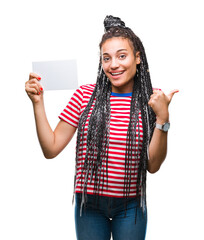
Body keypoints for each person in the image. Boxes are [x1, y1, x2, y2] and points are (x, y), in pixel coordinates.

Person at [25, 15, 178, 240]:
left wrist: (162, 117)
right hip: (89, 206)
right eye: (106, 58)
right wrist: (38, 104)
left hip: (130, 205)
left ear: (137, 58)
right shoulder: (84, 96)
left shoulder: (153, 100)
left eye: (122, 56)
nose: (113, 64)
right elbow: (51, 148)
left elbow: (153, 166)